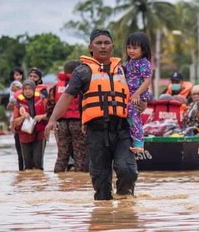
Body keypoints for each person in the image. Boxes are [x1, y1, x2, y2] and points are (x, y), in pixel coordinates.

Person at [45, 29, 138, 200]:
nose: (103, 47)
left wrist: (141, 102)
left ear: (113, 46)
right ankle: (104, 216)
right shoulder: (82, 72)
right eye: (99, 43)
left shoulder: (124, 70)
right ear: (90, 47)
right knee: (101, 183)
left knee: (127, 170)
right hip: (96, 132)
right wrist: (52, 120)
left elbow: (138, 96)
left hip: (122, 130)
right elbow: (67, 97)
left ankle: (126, 206)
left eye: (106, 43)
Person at [46, 60, 87, 172]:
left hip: (61, 124)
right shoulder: (82, 85)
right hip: (78, 123)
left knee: (62, 155)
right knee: (80, 156)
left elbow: (49, 106)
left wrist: (52, 120)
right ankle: (80, 181)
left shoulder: (55, 88)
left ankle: (59, 178)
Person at [124, 32, 153, 153]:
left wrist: (137, 94)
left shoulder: (144, 63)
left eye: (135, 48)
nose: (131, 51)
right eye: (129, 47)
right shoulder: (129, 63)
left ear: (143, 49)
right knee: (128, 115)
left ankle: (139, 143)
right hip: (130, 94)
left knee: (133, 115)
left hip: (138, 94)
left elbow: (147, 81)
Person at [12, 79, 48, 170]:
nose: (28, 91)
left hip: (39, 134)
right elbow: (15, 122)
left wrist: (41, 116)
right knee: (27, 163)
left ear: (34, 89)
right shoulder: (18, 103)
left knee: (38, 162)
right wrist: (23, 117)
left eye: (30, 89)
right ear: (22, 90)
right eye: (25, 89)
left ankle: (38, 181)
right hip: (24, 135)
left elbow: (50, 115)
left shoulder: (42, 99)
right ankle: (28, 182)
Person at [7, 66, 24, 171]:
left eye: (19, 74)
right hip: (14, 102)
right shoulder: (15, 84)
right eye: (16, 75)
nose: (18, 76)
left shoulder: (21, 85)